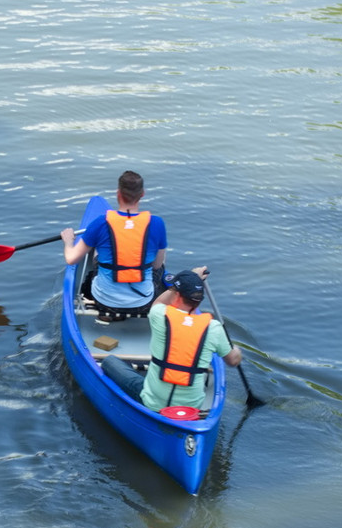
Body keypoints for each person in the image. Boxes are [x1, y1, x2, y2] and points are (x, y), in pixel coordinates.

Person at [101, 269, 242, 412]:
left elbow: (158, 303)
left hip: (152, 403)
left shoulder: (160, 315)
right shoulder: (214, 328)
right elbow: (232, 361)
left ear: (177, 295)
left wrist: (192, 275)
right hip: (190, 408)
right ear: (199, 300)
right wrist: (235, 350)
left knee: (109, 362)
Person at [60, 170, 167, 319]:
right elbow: (156, 266)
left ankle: (105, 312)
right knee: (160, 261)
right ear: (142, 194)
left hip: (104, 302)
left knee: (97, 256)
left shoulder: (101, 223)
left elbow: (71, 259)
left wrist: (68, 241)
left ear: (118, 193)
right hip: (143, 302)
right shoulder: (157, 224)